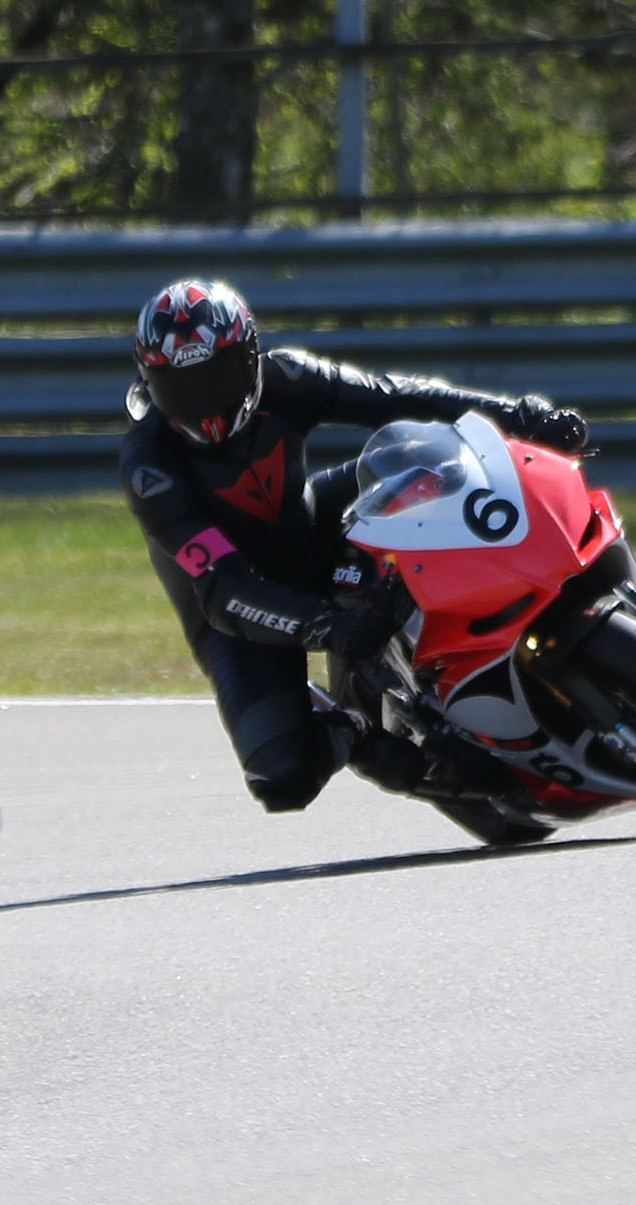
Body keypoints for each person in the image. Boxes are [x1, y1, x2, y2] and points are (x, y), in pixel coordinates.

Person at [120, 277, 591, 814]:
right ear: (149, 384)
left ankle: (524, 598)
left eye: (216, 378)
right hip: (235, 615)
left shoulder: (287, 377)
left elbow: (398, 396)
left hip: (311, 528)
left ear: (250, 357)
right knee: (283, 778)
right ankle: (354, 728)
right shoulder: (149, 469)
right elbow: (225, 590)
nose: (204, 405)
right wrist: (329, 627)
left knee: (429, 459)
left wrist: (520, 417)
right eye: (181, 388)